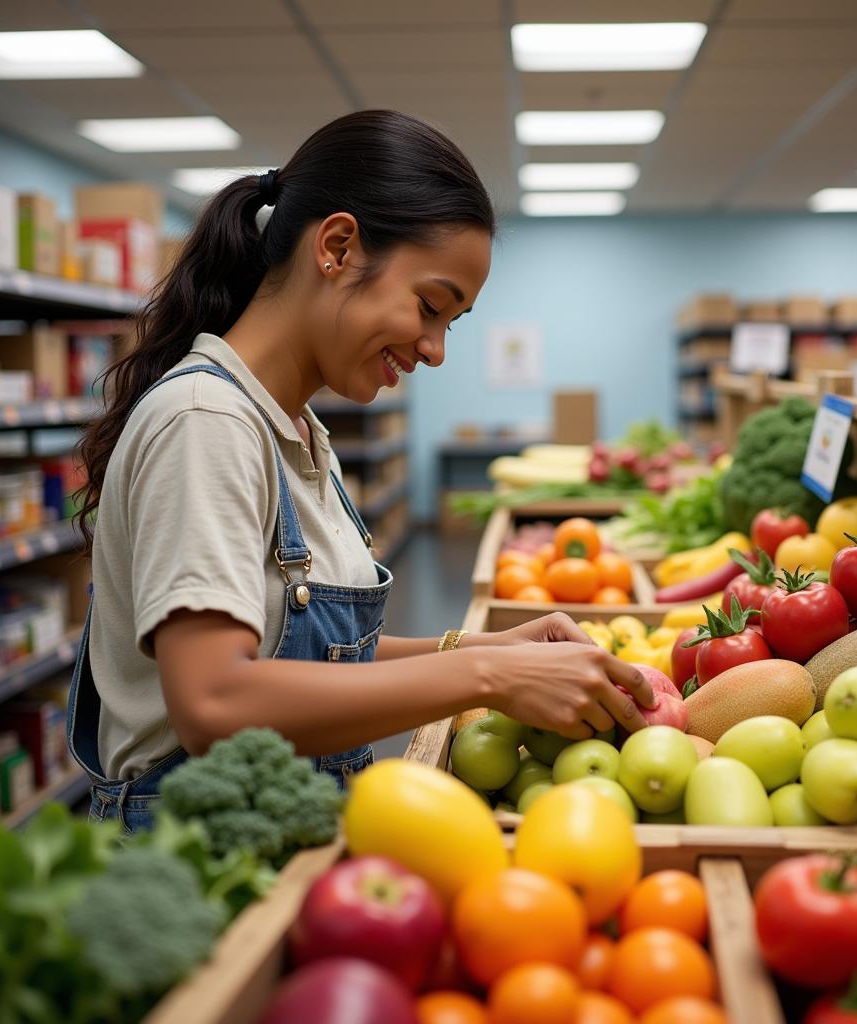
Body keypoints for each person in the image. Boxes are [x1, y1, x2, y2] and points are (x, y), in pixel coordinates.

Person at [68, 109, 654, 832]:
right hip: (196, 868)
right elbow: (214, 702)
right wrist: (490, 677)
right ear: (338, 247)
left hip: (287, 838)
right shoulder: (207, 423)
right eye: (430, 306)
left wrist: (468, 647)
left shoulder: (297, 430)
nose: (436, 349)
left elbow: (312, 657)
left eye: (452, 323)